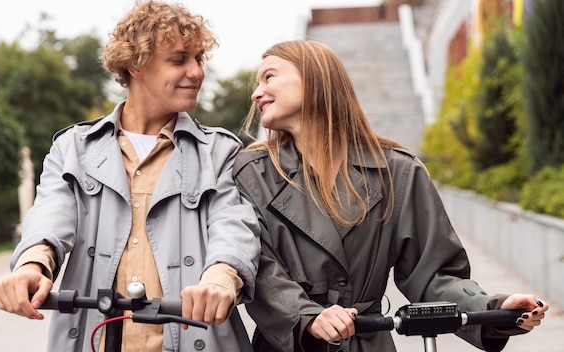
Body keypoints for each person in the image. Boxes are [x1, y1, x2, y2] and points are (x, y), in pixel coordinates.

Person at [232, 40, 548, 352]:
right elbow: (259, 270)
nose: (256, 92)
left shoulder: (396, 171)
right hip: (292, 344)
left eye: (269, 77)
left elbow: (434, 275)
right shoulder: (252, 173)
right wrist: (307, 316)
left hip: (368, 341)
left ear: (315, 78)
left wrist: (495, 308)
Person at [0, 1, 260, 351]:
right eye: (179, 60)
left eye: (199, 59)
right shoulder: (74, 148)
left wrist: (221, 279)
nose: (196, 72)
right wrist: (31, 265)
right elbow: (50, 217)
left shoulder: (220, 151)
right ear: (135, 65)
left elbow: (234, 226)